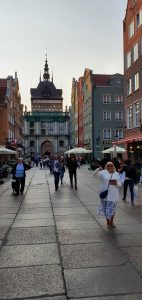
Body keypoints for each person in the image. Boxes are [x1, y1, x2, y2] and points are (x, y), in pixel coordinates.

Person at [93, 161, 122, 229]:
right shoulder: (102, 172)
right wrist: (98, 169)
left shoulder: (116, 174)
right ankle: (108, 223)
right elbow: (93, 175)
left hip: (114, 195)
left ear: (113, 166)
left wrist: (116, 184)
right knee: (106, 210)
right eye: (108, 165)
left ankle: (111, 222)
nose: (110, 167)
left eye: (111, 165)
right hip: (105, 194)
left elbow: (120, 184)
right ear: (106, 166)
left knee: (112, 210)